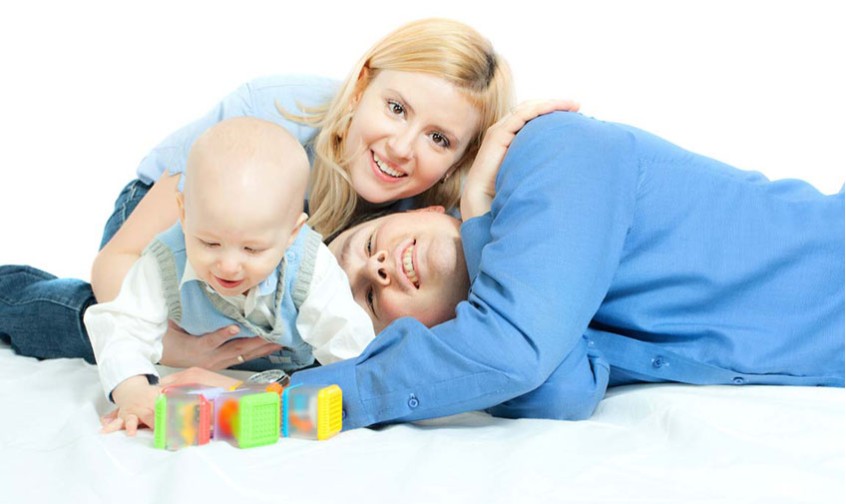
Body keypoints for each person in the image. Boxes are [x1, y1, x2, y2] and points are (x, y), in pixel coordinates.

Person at [173, 110, 837, 430]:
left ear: (430, 204)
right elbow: (558, 390)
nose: (377, 266)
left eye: (364, 244)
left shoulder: (556, 151)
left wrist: (283, 400)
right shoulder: (543, 335)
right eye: (366, 299)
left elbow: (512, 351)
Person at [0, 17, 576, 370]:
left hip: (272, 267)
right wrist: (171, 346)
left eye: (439, 138)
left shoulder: (428, 216)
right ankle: (15, 293)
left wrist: (476, 203)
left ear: (459, 158)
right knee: (121, 327)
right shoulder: (271, 116)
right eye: (396, 108)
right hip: (179, 229)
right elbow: (118, 260)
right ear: (363, 83)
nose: (402, 147)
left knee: (275, 346)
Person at [86, 117, 376, 433]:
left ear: (292, 232)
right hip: (197, 365)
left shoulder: (310, 262)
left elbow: (347, 340)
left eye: (252, 249)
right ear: (183, 213)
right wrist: (133, 391)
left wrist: (342, 397)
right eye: (209, 242)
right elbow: (123, 326)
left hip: (283, 377)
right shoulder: (165, 258)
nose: (228, 265)